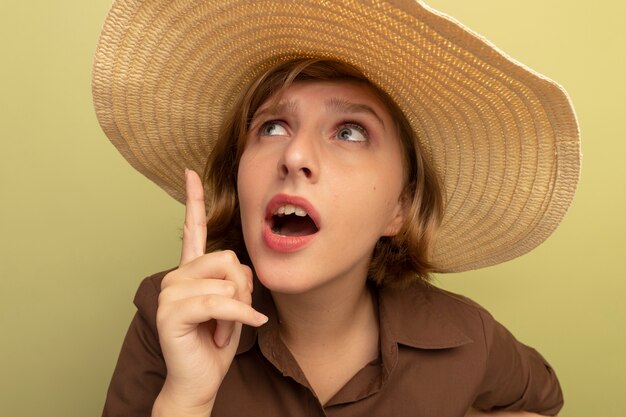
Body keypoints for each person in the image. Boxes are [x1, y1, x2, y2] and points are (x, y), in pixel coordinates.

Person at [92, 1, 580, 416]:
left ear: (400, 208)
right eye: (272, 127)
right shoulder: (168, 314)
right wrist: (187, 399)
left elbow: (543, 401)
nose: (295, 156)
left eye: (349, 132)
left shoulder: (468, 337)